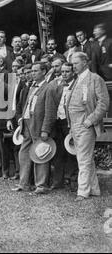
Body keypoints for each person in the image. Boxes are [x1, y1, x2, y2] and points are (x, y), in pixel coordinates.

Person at [66, 52, 109, 201]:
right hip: (75, 124)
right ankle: (94, 189)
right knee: (85, 158)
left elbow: (103, 103)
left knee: (83, 159)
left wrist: (91, 120)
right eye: (72, 64)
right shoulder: (75, 80)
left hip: (86, 124)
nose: (73, 66)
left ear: (85, 63)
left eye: (76, 63)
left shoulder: (95, 79)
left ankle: (82, 192)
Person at [13, 62, 54, 194]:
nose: (32, 73)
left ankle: (41, 185)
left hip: (39, 126)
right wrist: (22, 122)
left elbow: (50, 111)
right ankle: (24, 183)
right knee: (23, 153)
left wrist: (45, 130)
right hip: (27, 125)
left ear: (44, 72)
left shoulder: (48, 88)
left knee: (41, 154)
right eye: (32, 71)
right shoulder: (31, 87)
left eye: (36, 71)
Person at [45, 63, 78, 191]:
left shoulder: (76, 85)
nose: (64, 74)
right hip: (58, 122)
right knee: (58, 152)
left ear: (73, 72)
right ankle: (58, 181)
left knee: (71, 152)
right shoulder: (57, 85)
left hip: (69, 123)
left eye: (67, 71)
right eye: (62, 71)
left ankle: (72, 181)